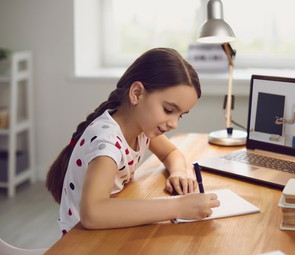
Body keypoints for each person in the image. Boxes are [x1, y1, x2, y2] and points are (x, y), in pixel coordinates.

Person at [46, 48, 220, 234]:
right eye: (169, 110)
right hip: (83, 243)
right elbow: (92, 214)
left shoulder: (140, 128)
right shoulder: (107, 143)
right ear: (136, 93)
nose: (174, 124)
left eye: (181, 115)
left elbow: (171, 153)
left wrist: (178, 173)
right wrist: (178, 206)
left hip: (110, 226)